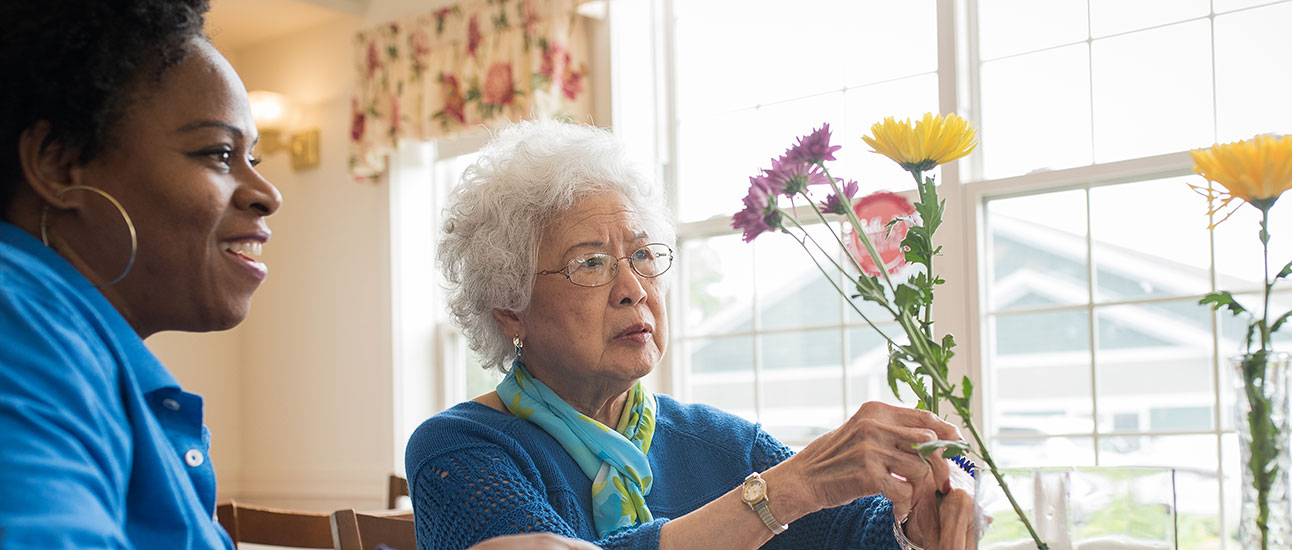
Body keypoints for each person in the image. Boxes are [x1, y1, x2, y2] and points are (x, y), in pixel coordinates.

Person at [0, 3, 596, 550]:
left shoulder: (87, 359)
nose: (267, 193)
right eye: (216, 153)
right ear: (58, 163)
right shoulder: (18, 330)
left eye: (253, 158)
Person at [406, 119, 978, 550]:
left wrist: (920, 516)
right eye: (590, 263)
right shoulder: (458, 450)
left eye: (643, 255)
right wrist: (783, 490)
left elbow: (847, 533)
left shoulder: (718, 444)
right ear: (509, 307)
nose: (633, 287)